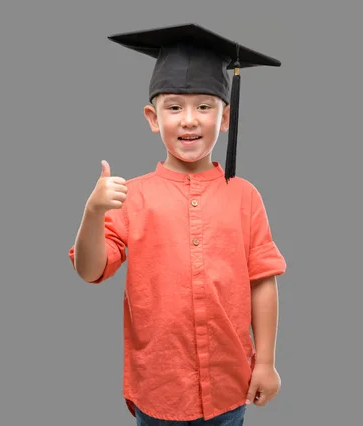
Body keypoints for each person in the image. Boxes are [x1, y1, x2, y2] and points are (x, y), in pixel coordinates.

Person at [68, 23, 287, 425]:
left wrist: (267, 362)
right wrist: (93, 212)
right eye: (174, 107)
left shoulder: (246, 197)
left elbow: (263, 280)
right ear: (153, 118)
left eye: (205, 107)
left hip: (229, 384)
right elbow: (90, 270)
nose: (189, 120)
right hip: (159, 387)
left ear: (225, 118)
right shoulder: (131, 196)